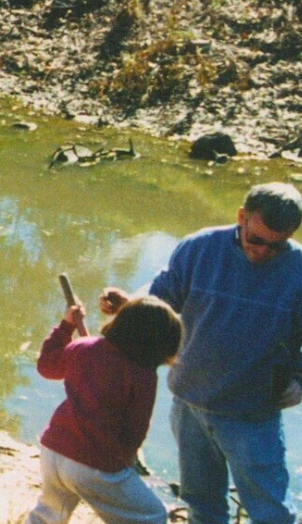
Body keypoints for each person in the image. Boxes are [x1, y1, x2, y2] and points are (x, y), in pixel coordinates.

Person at [101, 182, 302, 524]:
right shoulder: (200, 247)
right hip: (189, 402)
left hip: (253, 413)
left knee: (271, 513)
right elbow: (163, 296)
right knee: (202, 504)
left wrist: (299, 379)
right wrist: (129, 305)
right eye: (256, 239)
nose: (263, 251)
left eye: (276, 244)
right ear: (242, 217)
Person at [25, 297, 182, 524]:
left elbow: (47, 366)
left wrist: (66, 326)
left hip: (53, 450)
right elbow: (135, 430)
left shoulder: (84, 346)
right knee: (152, 515)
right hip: (92, 463)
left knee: (49, 514)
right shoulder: (143, 375)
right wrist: (124, 464)